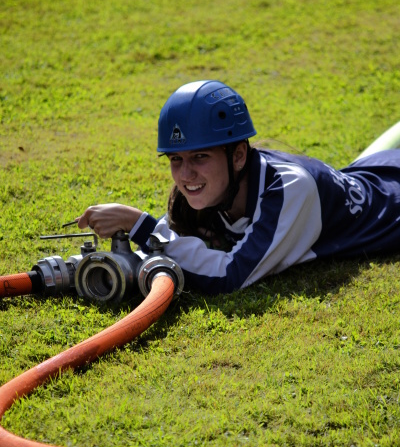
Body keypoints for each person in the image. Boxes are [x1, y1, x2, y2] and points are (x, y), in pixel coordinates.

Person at [77, 80, 400, 295]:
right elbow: (173, 245)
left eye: (200, 156)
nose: (186, 174)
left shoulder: (292, 188)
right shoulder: (209, 191)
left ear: (238, 155)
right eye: (175, 159)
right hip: (374, 168)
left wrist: (138, 224)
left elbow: (231, 276)